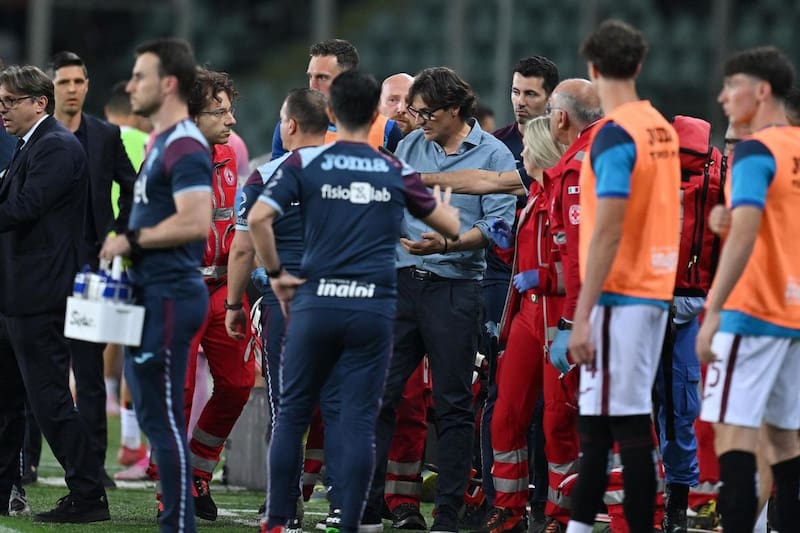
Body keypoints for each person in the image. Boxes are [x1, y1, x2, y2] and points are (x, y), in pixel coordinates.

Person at [249, 69, 461, 533]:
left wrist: (280, 275)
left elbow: (260, 219)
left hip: (315, 303)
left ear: (330, 113)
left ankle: (277, 518)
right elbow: (451, 227)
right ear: (375, 114)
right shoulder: (394, 168)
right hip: (371, 308)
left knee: (293, 413)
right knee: (359, 420)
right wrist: (441, 207)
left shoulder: (305, 164)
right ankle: (349, 519)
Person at [361, 66, 517, 533]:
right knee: (380, 397)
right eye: (414, 110)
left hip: (455, 289)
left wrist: (448, 244)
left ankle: (446, 516)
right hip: (403, 284)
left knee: (452, 404)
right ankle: (367, 507)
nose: (417, 119)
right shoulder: (409, 145)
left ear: (454, 109)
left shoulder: (494, 154)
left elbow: (501, 228)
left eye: (426, 112)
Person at [564, 19, 681, 533]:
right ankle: (579, 526)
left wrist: (583, 315)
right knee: (598, 425)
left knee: (627, 425)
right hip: (652, 288)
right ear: (637, 65)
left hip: (620, 294)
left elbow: (608, 230)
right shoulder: (660, 126)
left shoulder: (615, 137)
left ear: (593, 69)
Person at [99, 37, 212, 533]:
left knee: (163, 418)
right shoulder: (163, 141)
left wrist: (132, 240)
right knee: (151, 411)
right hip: (151, 293)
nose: (130, 85)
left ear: (167, 84)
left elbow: (195, 222)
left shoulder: (185, 142)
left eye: (139, 76)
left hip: (170, 293)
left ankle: (178, 525)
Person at [695, 45, 800, 533]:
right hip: (792, 314)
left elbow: (751, 228)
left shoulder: (756, 150)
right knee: (784, 443)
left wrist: (714, 312)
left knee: (734, 437)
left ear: (760, 91)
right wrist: (731, 223)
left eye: (732, 84)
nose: (722, 96)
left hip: (752, 310)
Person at [0, 64, 109, 523]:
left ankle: (88, 494)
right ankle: (5, 486)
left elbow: (24, 208)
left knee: (48, 399)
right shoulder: (36, 145)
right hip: (18, 292)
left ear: (37, 102)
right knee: (6, 398)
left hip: (38, 293)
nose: (2, 110)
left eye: (9, 101)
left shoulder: (56, 147)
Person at [226, 87, 329, 532]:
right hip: (347, 299)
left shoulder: (265, 175)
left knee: (287, 410)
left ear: (288, 125)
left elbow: (242, 250)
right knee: (346, 408)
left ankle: (282, 510)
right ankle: (347, 508)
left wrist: (233, 304)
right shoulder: (353, 171)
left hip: (285, 301)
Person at [166, 67, 254, 521]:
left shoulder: (228, 151)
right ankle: (172, 490)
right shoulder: (166, 158)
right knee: (176, 394)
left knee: (239, 384)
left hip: (222, 285)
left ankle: (197, 470)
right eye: (220, 111)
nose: (232, 120)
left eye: (229, 109)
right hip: (177, 289)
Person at [50, 50, 138, 489]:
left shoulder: (105, 135)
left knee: (89, 373)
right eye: (64, 82)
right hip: (39, 270)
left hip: (89, 270)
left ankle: (92, 466)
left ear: (87, 85)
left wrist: (117, 232)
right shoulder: (35, 136)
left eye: (78, 82)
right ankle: (25, 462)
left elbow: (134, 187)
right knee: (33, 370)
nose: (72, 89)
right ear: (51, 89)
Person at [479, 115, 566, 533]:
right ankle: (510, 507)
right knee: (506, 413)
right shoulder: (536, 194)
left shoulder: (565, 194)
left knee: (556, 419)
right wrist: (506, 247)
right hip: (527, 314)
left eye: (528, 148)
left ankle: (559, 513)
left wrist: (545, 277)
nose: (523, 154)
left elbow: (582, 267)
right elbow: (524, 262)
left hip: (555, 315)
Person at [270, 39, 402, 159]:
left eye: (322, 77)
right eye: (311, 77)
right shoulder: (290, 125)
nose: (313, 86)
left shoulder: (387, 130)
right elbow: (275, 177)